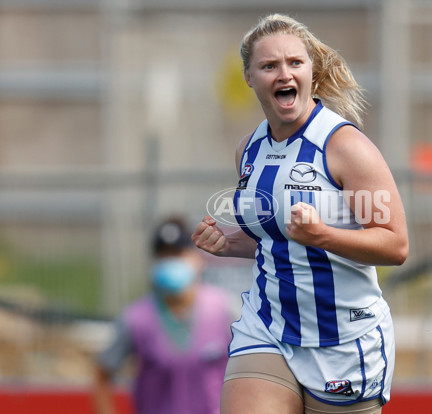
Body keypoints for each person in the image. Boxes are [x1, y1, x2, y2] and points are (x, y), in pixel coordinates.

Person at [192, 14, 409, 414]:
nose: (283, 73)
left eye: (294, 63)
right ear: (249, 77)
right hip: (267, 327)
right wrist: (229, 243)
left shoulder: (344, 147)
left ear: (310, 71)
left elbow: (394, 245)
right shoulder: (249, 150)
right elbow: (277, 240)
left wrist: (323, 235)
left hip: (343, 337)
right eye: (269, 66)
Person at [93, 216, 233, 414]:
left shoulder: (223, 309)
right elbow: (103, 373)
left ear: (196, 257)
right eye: (164, 255)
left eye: (177, 254)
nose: (171, 262)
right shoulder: (136, 319)